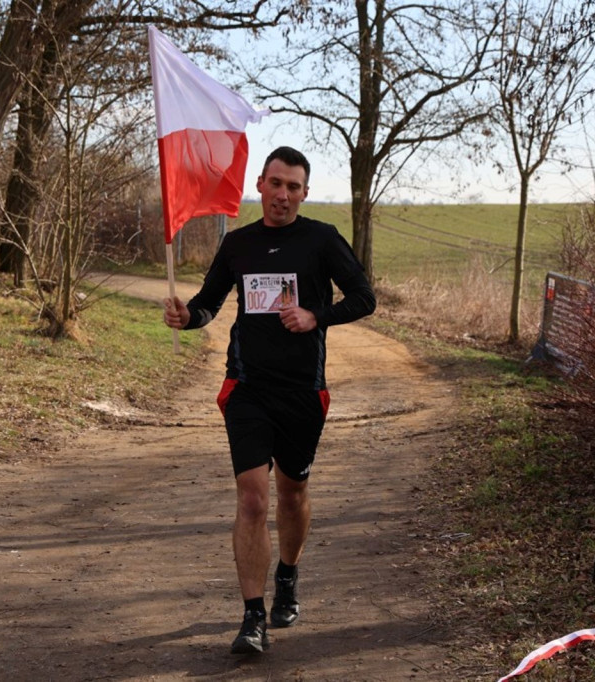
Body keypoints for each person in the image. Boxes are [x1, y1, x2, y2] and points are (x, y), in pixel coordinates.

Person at [162, 146, 376, 654]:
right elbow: (208, 304)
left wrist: (315, 316)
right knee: (254, 500)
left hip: (303, 390)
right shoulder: (238, 245)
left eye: (293, 187)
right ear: (260, 184)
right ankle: (252, 617)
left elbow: (364, 298)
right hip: (248, 387)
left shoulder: (321, 240)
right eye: (275, 184)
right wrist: (185, 318)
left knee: (292, 493)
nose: (283, 195)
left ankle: (288, 574)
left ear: (304, 192)